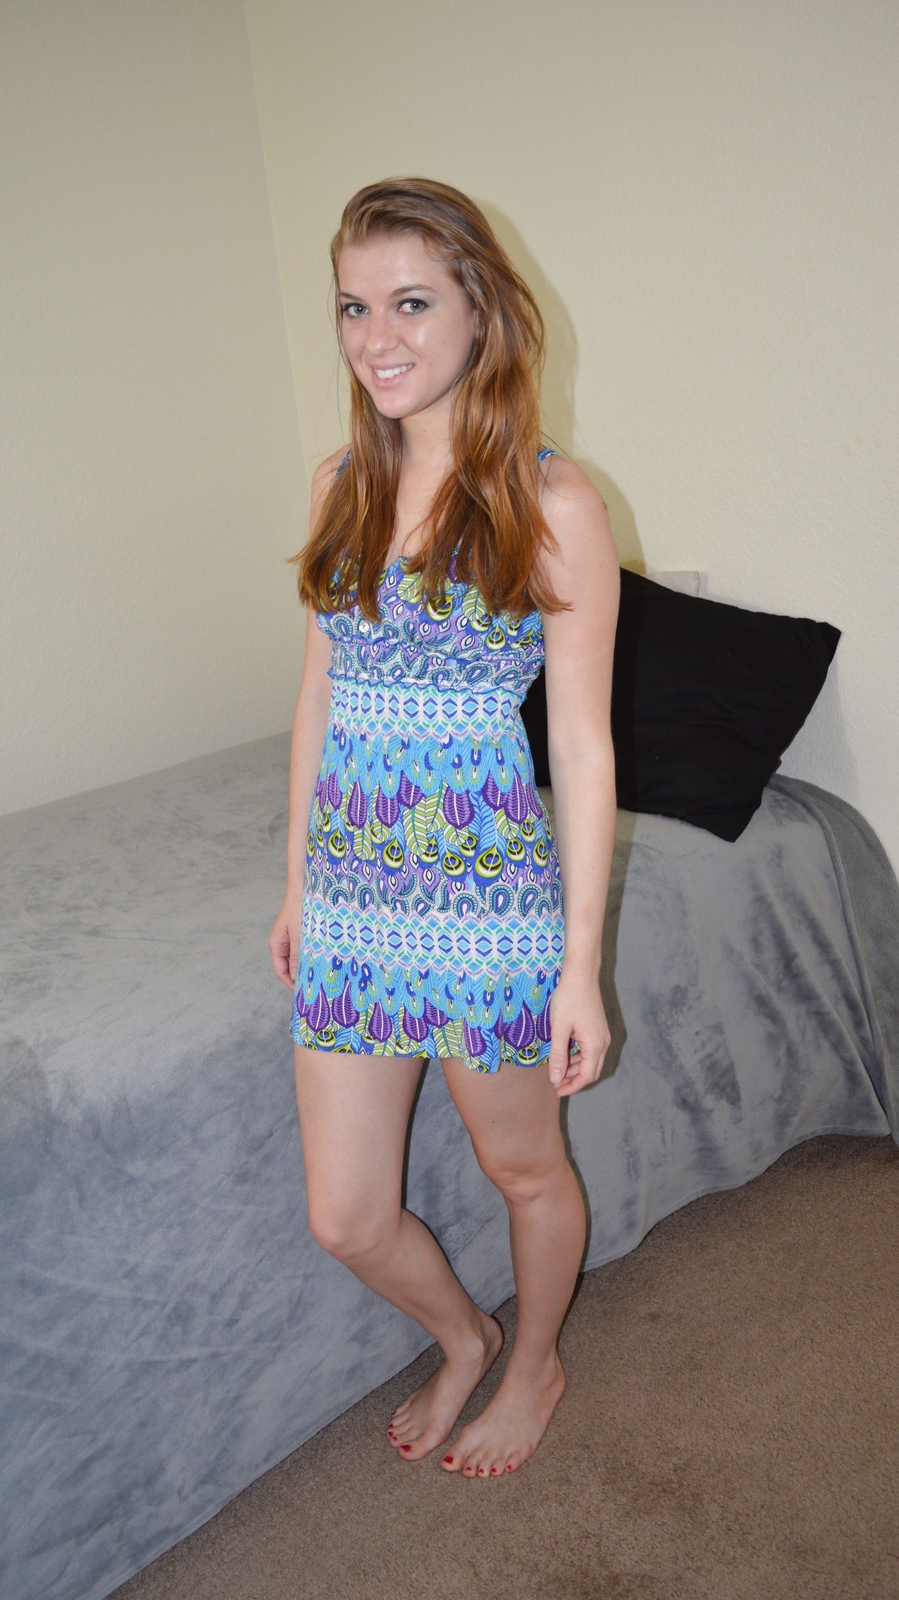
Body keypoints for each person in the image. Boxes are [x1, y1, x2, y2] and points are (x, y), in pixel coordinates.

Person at [269, 178, 619, 1480]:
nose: (378, 338)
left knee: (525, 1170)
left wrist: (579, 966)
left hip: (485, 906)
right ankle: (465, 1334)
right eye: (354, 308)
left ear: (480, 310)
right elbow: (317, 697)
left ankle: (536, 1361)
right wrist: (298, 884)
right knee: (347, 1216)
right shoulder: (337, 484)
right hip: (353, 901)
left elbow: (581, 749)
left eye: (411, 302)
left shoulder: (553, 503)